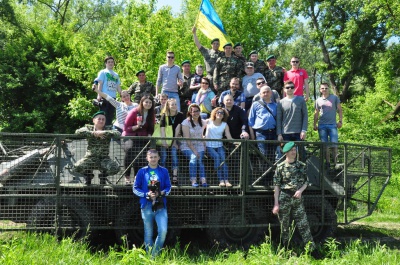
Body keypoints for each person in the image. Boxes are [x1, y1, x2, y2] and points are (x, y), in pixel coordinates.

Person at [272, 141, 316, 251]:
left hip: (297, 199)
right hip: (285, 198)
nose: (294, 152)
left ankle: (312, 250)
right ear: (286, 152)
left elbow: (306, 182)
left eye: (295, 150)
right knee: (284, 226)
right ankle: (285, 250)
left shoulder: (301, 166)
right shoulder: (280, 167)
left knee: (304, 225)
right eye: (291, 150)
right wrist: (276, 204)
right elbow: (277, 186)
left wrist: (300, 191)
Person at [132, 149, 171, 257]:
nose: (153, 159)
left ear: (159, 157)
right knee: (148, 233)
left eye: (155, 157)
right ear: (147, 158)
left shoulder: (164, 171)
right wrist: (146, 194)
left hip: (160, 206)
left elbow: (169, 187)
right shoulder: (141, 171)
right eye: (151, 157)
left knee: (163, 231)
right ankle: (151, 258)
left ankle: (154, 256)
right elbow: (135, 188)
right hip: (146, 206)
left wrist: (162, 193)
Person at [73, 111, 120, 185]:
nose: (101, 121)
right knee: (76, 167)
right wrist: (93, 133)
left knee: (115, 168)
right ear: (94, 120)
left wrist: (104, 132)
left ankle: (103, 176)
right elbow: (77, 132)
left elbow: (118, 134)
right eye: (99, 119)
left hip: (104, 159)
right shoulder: (89, 128)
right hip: (90, 158)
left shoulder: (109, 128)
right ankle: (88, 175)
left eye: (103, 119)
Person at [122, 96, 155, 185]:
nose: (148, 104)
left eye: (150, 103)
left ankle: (137, 177)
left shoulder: (151, 114)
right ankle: (127, 176)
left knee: (140, 157)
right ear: (142, 102)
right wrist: (137, 126)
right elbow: (126, 128)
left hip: (142, 137)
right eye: (146, 102)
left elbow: (151, 128)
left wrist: (149, 134)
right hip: (130, 136)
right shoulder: (134, 112)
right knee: (130, 151)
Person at [313, 83, 343, 168]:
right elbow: (316, 113)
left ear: (328, 89)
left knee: (334, 144)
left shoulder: (334, 98)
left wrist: (340, 121)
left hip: (332, 125)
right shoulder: (318, 100)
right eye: (322, 88)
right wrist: (314, 124)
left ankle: (336, 163)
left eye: (326, 88)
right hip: (322, 125)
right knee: (325, 146)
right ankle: (328, 163)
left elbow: (340, 110)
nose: (324, 90)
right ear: (320, 90)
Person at [277, 81, 308, 160]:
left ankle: (301, 172)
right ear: (284, 89)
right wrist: (279, 134)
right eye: (287, 87)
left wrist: (304, 130)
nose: (290, 89)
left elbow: (305, 116)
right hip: (285, 133)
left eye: (292, 87)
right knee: (285, 156)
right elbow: (279, 119)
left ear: (294, 89)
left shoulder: (301, 100)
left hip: (299, 133)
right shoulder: (280, 102)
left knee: (300, 156)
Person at [180, 104, 208, 187]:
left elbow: (202, 135)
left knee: (200, 160)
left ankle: (203, 179)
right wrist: (194, 151)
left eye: (197, 111)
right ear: (190, 113)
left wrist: (204, 145)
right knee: (194, 157)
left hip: (199, 145)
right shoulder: (186, 122)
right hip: (187, 145)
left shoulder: (203, 122)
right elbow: (187, 139)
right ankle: (193, 180)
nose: (196, 113)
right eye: (194, 111)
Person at [205, 107, 234, 187]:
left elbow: (229, 137)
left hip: (219, 146)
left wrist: (237, 141)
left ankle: (226, 180)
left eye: (222, 113)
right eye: (218, 112)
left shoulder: (225, 125)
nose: (220, 114)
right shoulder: (208, 121)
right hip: (209, 146)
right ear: (215, 113)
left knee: (223, 160)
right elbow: (199, 126)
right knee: (217, 157)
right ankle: (221, 180)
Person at [159, 98, 185, 185]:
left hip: (175, 138)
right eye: (172, 104)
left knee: (174, 155)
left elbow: (178, 129)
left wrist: (174, 142)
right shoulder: (164, 115)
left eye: (175, 104)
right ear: (168, 106)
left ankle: (175, 176)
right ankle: (163, 175)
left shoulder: (180, 115)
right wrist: (164, 141)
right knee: (164, 156)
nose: (174, 106)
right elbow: (162, 129)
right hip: (165, 138)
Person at [248, 85, 277, 161]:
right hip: (261, 133)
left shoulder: (276, 105)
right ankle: (263, 172)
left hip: (273, 133)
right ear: (260, 94)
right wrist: (252, 135)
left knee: (272, 155)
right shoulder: (255, 104)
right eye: (263, 92)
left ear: (271, 93)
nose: (266, 94)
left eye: (267, 92)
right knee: (262, 155)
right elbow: (250, 121)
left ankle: (272, 173)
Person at [95, 56, 122, 126]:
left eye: (112, 62)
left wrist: (122, 96)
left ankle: (108, 132)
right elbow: (100, 83)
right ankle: (101, 131)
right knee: (103, 115)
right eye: (109, 62)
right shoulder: (103, 72)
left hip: (113, 98)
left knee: (110, 116)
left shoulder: (116, 75)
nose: (110, 63)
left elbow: (118, 87)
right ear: (106, 63)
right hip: (104, 97)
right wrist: (99, 95)